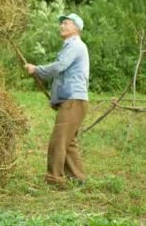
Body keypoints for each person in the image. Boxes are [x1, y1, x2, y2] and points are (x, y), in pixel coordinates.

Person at [25, 13, 90, 187]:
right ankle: (78, 178)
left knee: (58, 140)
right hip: (73, 101)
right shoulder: (70, 46)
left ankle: (54, 179)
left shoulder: (75, 45)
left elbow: (59, 66)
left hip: (73, 101)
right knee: (68, 142)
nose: (62, 26)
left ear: (76, 28)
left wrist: (36, 69)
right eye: (61, 23)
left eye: (66, 23)